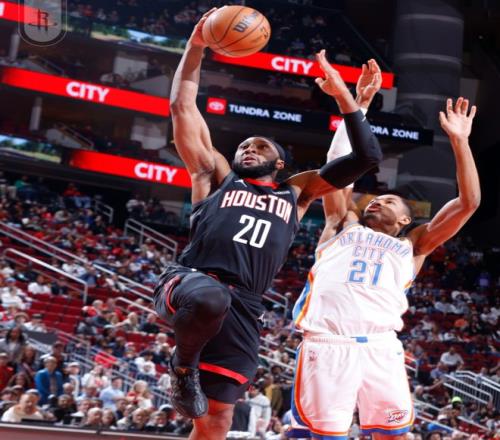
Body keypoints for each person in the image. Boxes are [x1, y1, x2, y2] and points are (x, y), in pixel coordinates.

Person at [153, 8, 382, 438]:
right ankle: (182, 369)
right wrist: (195, 45)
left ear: (280, 163)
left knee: (218, 418)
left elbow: (367, 157)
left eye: (260, 146)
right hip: (190, 282)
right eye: (244, 145)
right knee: (211, 297)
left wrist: (348, 100)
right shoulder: (214, 176)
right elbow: (182, 106)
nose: (249, 148)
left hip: (245, 305)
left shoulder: (297, 193)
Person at [291, 96, 480, 439]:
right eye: (375, 200)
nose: (377, 202)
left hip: (381, 347)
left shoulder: (414, 245)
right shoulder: (342, 223)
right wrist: (359, 106)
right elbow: (336, 165)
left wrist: (460, 141)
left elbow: (468, 203)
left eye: (388, 201)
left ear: (406, 219)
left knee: (394, 435)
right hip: (329, 343)